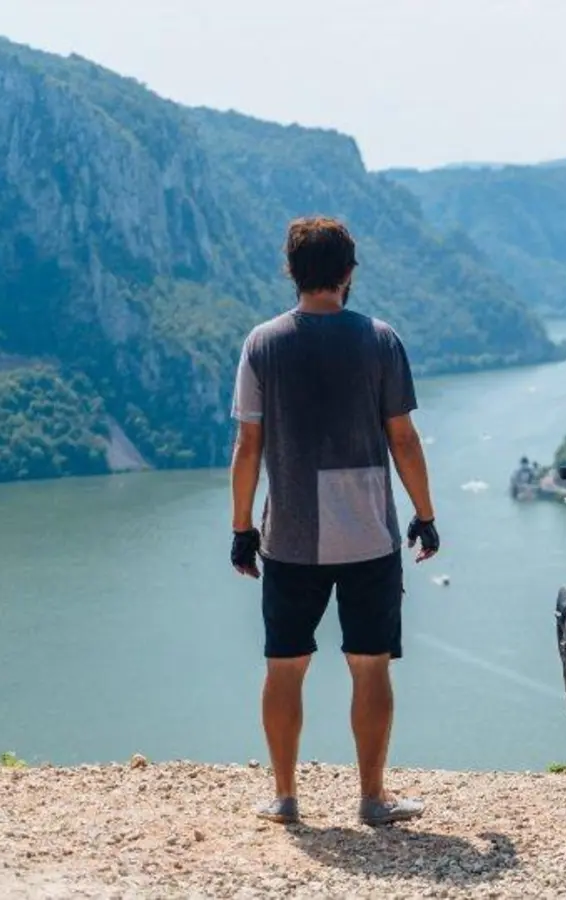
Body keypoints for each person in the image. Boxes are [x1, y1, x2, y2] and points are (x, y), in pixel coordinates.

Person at [228, 215, 440, 827]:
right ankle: (372, 798)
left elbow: (248, 447)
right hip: (367, 533)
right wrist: (425, 516)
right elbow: (403, 437)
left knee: (284, 666)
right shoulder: (380, 339)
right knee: (369, 663)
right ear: (349, 273)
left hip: (290, 534)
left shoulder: (262, 344)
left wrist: (242, 529)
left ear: (291, 271)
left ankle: (285, 797)